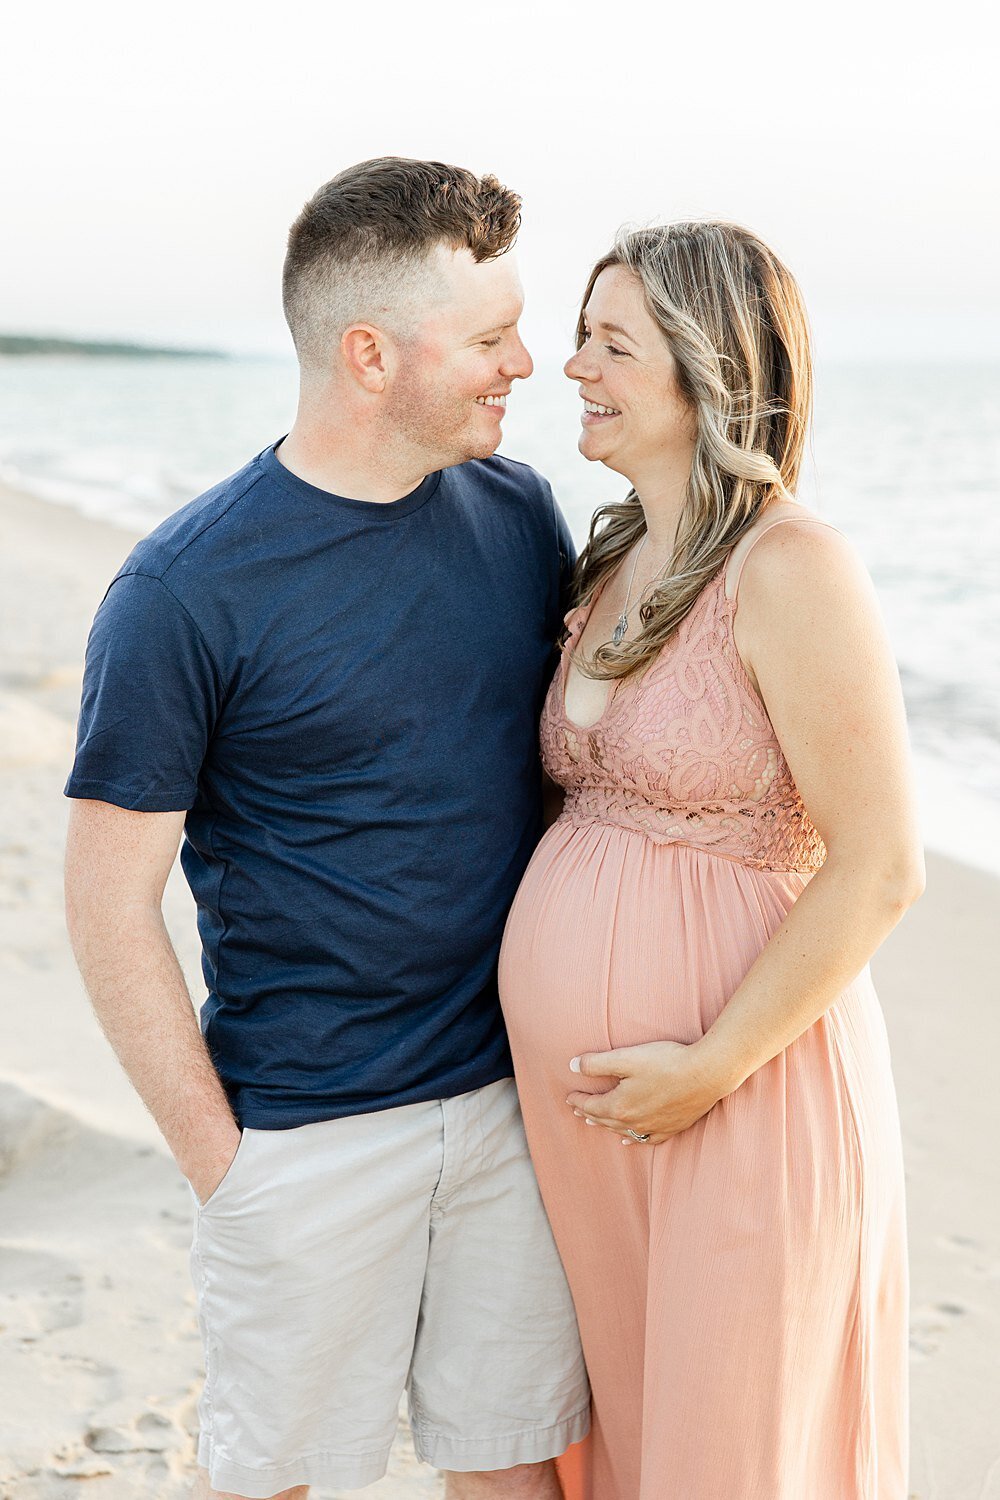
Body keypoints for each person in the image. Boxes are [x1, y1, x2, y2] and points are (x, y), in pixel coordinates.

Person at [63, 157, 589, 1500]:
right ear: (369, 354)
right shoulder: (183, 591)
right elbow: (107, 904)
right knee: (276, 1480)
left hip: (507, 1112)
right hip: (305, 1133)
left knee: (516, 1464)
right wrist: (222, 1167)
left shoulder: (519, 517)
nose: (526, 362)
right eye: (487, 337)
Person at [499, 221, 924, 1500]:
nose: (572, 367)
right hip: (599, 1128)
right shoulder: (615, 554)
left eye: (611, 344)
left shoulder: (792, 569)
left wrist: (709, 1065)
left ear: (709, 372)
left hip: (744, 1098)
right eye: (582, 336)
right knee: (632, 1447)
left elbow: (881, 863)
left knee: (733, 1454)